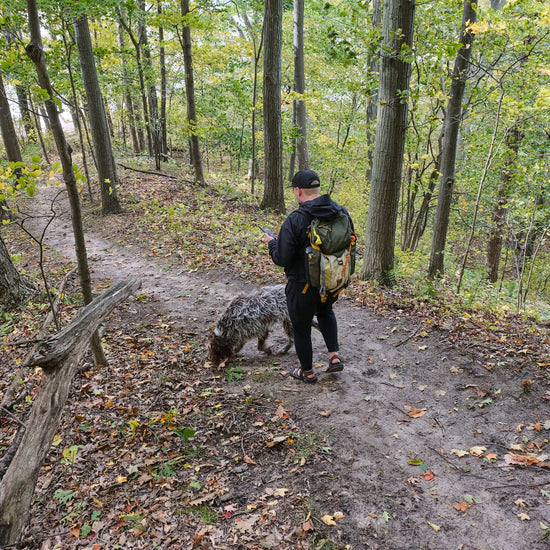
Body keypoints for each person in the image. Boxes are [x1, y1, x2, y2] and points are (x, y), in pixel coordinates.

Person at [264, 169, 354, 383]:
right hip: (332, 281)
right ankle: (334, 358)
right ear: (317, 189)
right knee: (326, 312)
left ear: (297, 191)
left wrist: (271, 243)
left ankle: (307, 372)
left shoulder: (295, 220)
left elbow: (282, 259)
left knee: (301, 326)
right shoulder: (341, 212)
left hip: (302, 286)